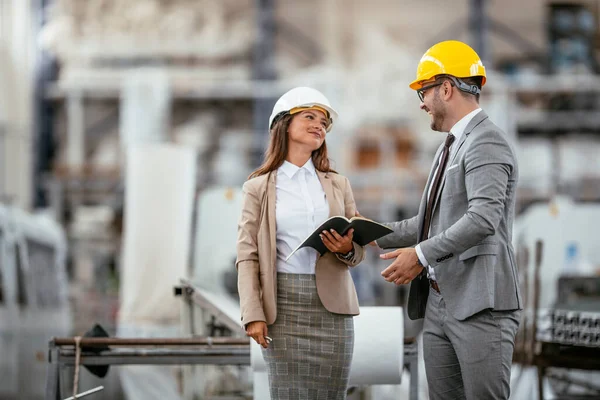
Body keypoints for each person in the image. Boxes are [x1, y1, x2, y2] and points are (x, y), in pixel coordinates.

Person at [375, 40, 522, 399]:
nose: (422, 103)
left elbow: (483, 218)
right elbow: (428, 224)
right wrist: (365, 234)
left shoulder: (486, 142)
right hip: (441, 303)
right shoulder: (451, 146)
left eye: (423, 92)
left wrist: (420, 255)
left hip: (480, 306)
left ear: (446, 88)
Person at [236, 87, 365, 399]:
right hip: (283, 308)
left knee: (332, 395)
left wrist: (346, 248)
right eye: (310, 117)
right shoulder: (258, 188)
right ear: (284, 124)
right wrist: (252, 312)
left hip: (333, 310)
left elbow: (358, 247)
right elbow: (246, 254)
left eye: (323, 121)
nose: (319, 125)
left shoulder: (339, 184)